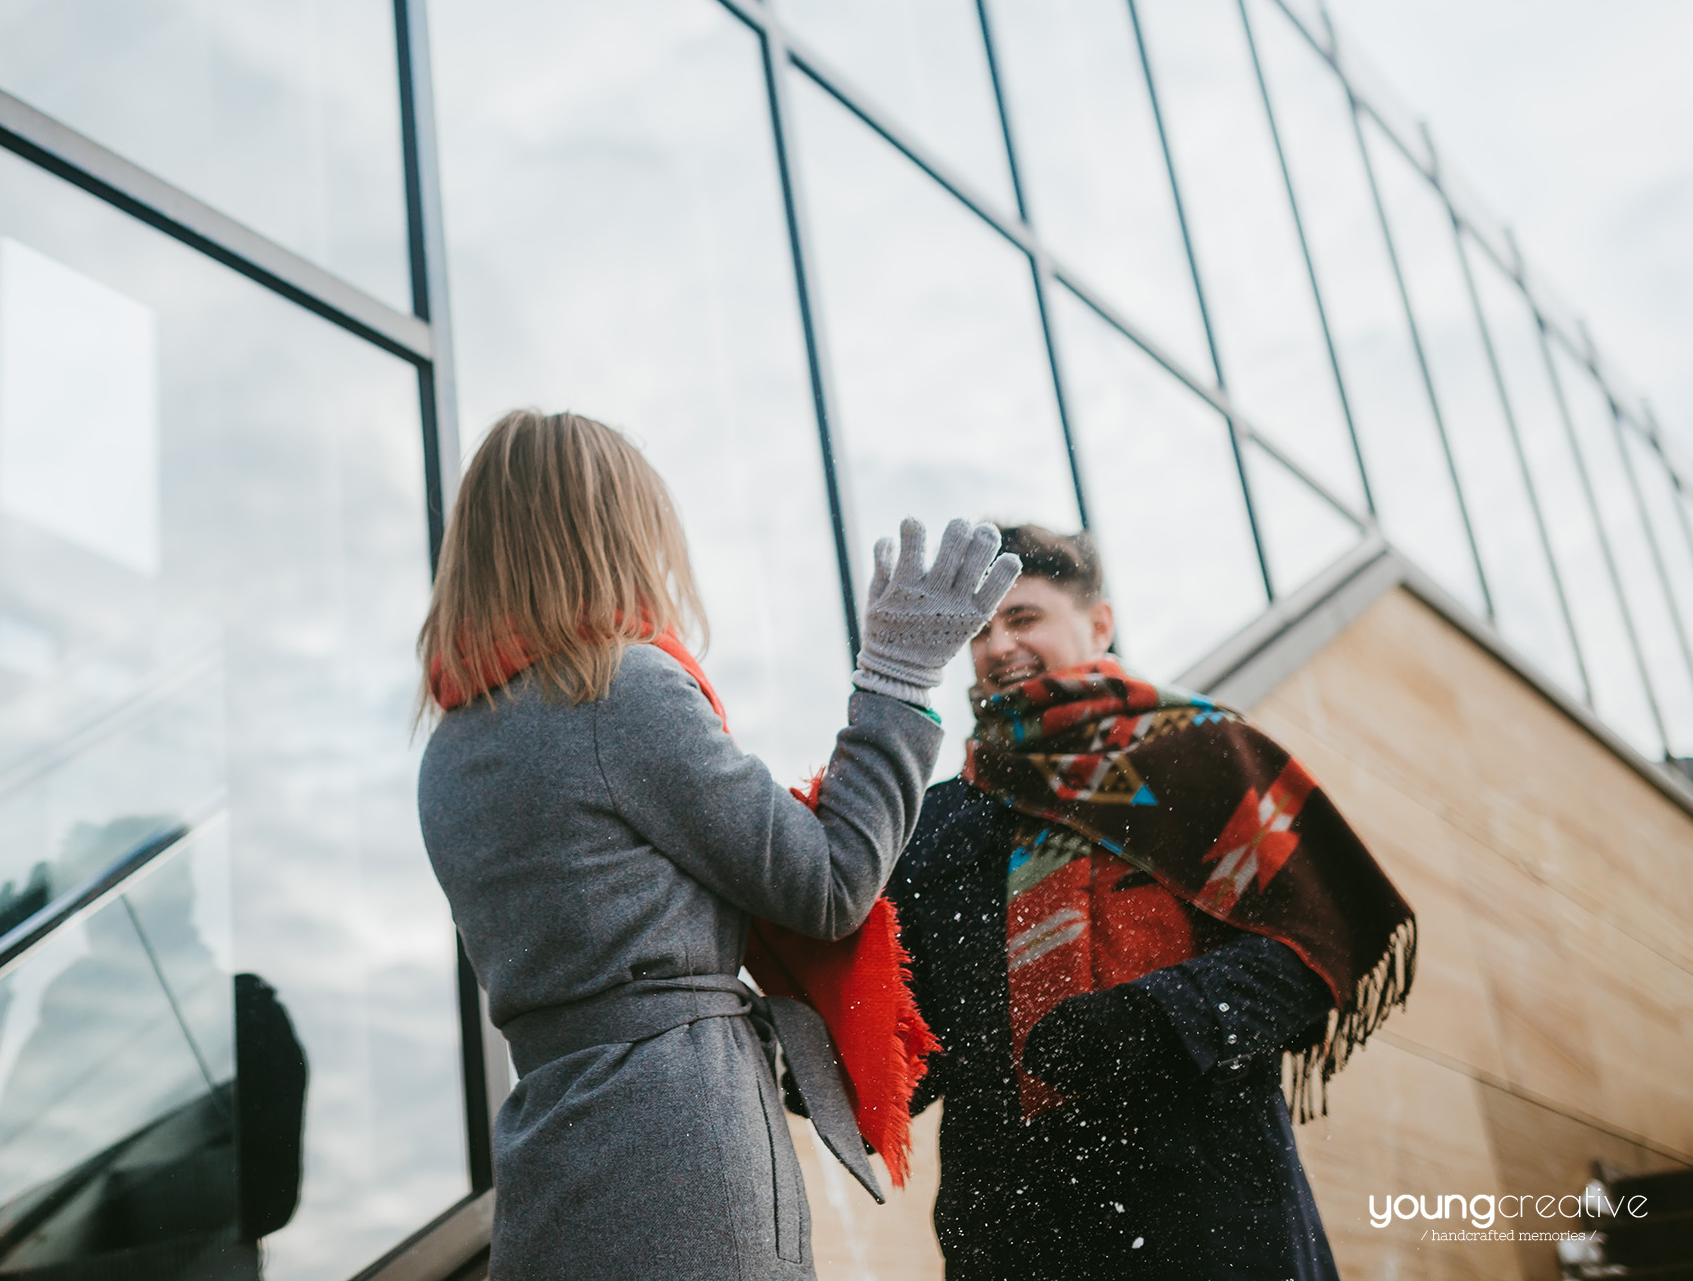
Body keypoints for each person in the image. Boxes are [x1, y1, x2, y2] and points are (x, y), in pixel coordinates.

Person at [415, 410, 1019, 1280]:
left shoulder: (451, 747)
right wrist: (897, 680)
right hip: (680, 1141)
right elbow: (826, 881)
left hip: (547, 1138)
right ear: (615, 531)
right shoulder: (620, 688)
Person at [892, 525, 1416, 1280]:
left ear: (1099, 624)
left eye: (1024, 617)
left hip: (1210, 1219)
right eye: (979, 629)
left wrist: (1156, 1018)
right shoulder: (938, 819)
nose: (998, 645)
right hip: (1011, 1234)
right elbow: (915, 1036)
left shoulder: (1200, 755)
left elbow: (1310, 948)